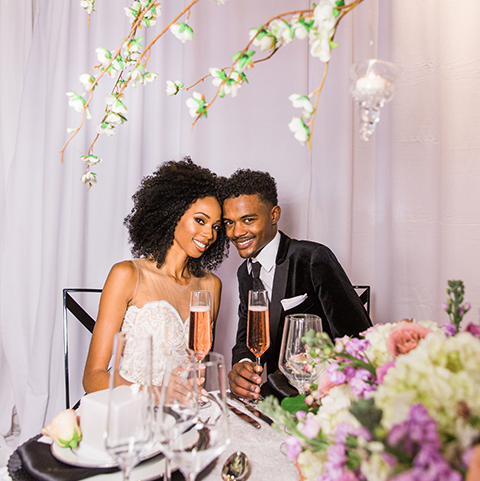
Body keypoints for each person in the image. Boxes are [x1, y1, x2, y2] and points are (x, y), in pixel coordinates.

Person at [223, 169, 372, 400]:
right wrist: (241, 365)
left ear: (274, 215)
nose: (236, 232)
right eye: (229, 223)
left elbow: (358, 339)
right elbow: (245, 337)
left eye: (248, 219)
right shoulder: (245, 272)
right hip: (273, 399)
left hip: (322, 398)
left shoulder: (312, 258)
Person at [83, 158, 228, 392]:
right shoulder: (127, 275)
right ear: (173, 214)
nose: (209, 234)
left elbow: (199, 368)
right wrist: (158, 395)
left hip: (181, 417)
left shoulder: (211, 285)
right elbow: (92, 378)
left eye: (216, 226)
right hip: (130, 412)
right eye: (200, 220)